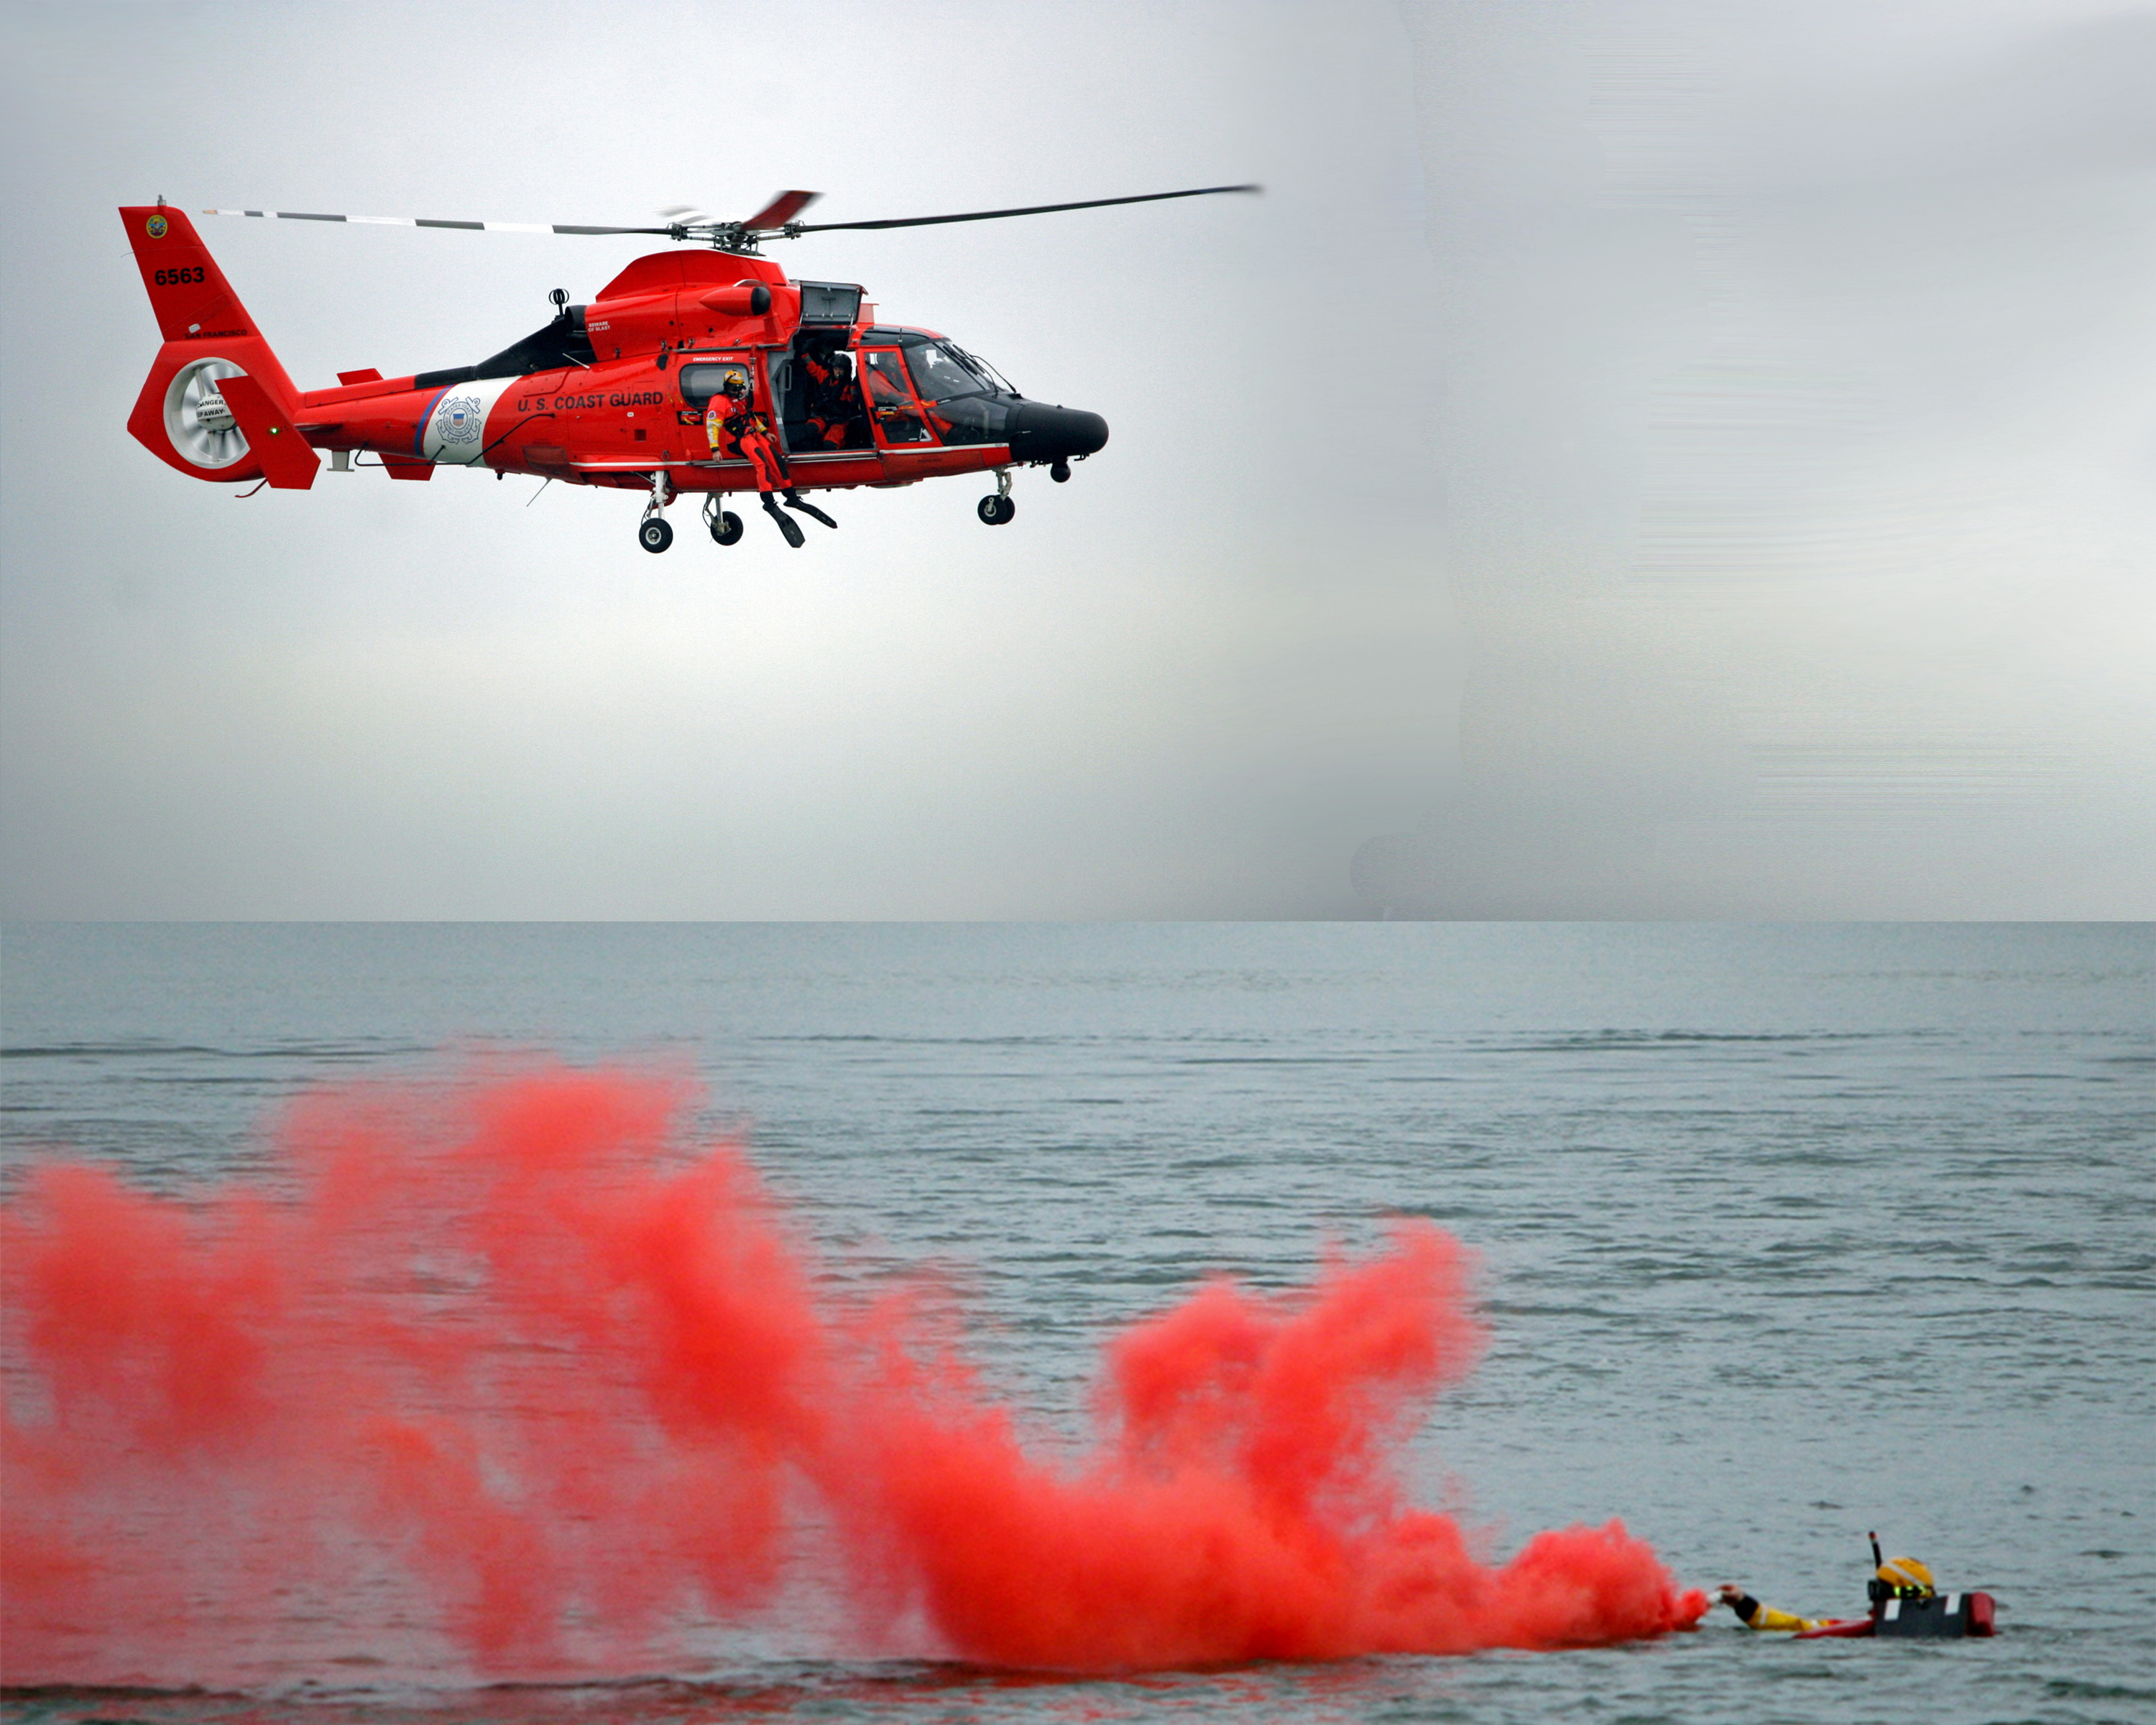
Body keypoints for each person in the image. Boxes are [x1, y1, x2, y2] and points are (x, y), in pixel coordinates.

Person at [705, 373, 835, 544]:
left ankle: (790, 496)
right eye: (732, 389)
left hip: (752, 434)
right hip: (738, 439)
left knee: (777, 461)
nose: (735, 391)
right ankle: (768, 501)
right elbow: (712, 426)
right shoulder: (719, 401)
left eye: (736, 389)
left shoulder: (742, 400)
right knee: (762, 464)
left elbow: (751, 418)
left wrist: (765, 433)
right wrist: (715, 449)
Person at [1715, 1555, 1935, 1632]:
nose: (1874, 1599)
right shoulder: (1866, 1625)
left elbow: (1797, 1626)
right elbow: (1799, 1626)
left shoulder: (1865, 1630)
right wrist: (1743, 1604)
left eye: (1880, 1592)